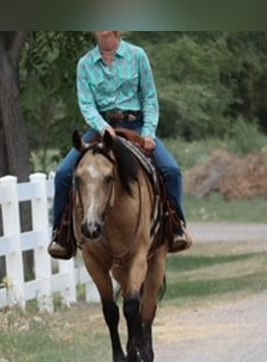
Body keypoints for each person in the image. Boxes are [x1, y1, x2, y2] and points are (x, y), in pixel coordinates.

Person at [48, 31, 192, 259]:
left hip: (136, 126)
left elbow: (150, 98)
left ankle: (175, 227)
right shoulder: (85, 64)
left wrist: (148, 132)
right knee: (64, 174)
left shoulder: (137, 56)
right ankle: (61, 234)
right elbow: (86, 104)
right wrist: (103, 127)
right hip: (101, 129)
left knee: (171, 170)